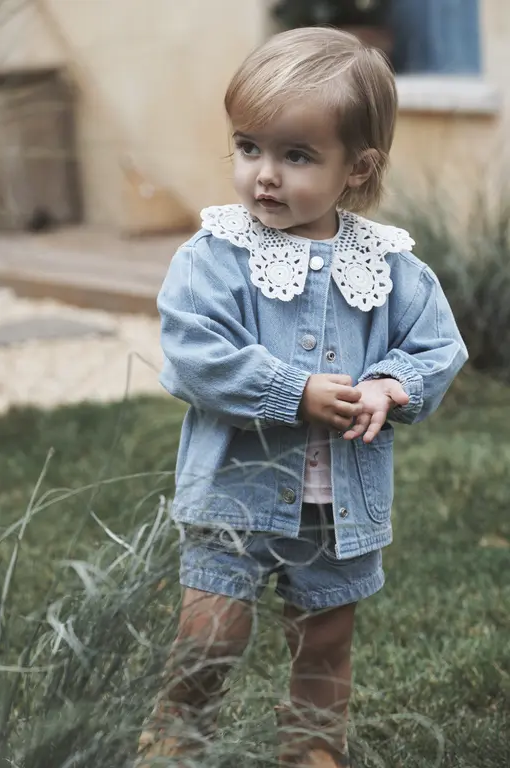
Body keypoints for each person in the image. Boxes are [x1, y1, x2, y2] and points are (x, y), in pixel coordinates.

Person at [138, 27, 468, 768]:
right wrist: (293, 390)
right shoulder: (216, 256)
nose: (265, 175)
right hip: (235, 490)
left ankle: (313, 747)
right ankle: (176, 733)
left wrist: (391, 385)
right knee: (211, 631)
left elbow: (439, 349)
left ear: (359, 167)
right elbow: (195, 354)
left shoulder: (390, 268)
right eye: (249, 147)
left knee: (324, 638)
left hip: (339, 504)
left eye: (296, 156)